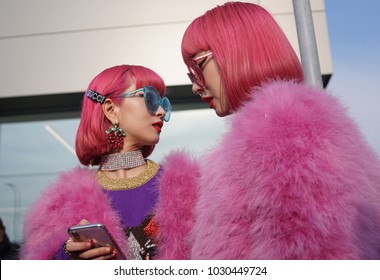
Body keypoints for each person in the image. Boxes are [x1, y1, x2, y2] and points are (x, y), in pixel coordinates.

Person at [155, 1, 380, 259]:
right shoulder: (281, 126)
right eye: (190, 75)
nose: (195, 86)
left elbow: (307, 256)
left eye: (197, 67)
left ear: (235, 52)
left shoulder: (285, 128)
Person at [19, 64, 172, 260]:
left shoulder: (187, 188)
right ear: (110, 110)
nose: (160, 111)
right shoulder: (62, 202)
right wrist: (68, 257)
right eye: (150, 98)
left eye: (163, 103)